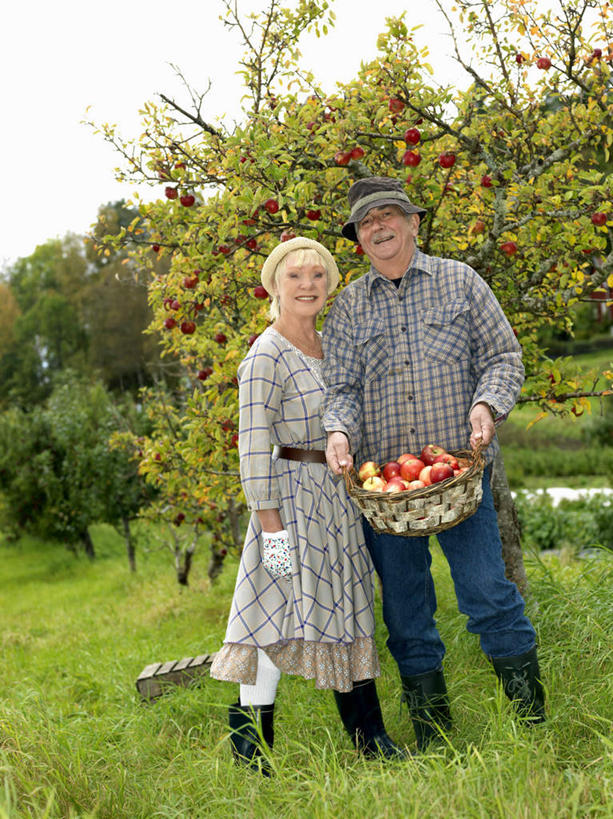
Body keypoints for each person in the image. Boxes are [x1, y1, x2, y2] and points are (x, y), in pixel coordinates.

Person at [321, 177, 545, 752]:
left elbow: (503, 356)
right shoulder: (347, 308)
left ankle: (533, 727)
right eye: (367, 222)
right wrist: (338, 431)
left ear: (414, 223)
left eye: (389, 215)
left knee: (487, 593)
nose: (379, 227)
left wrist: (485, 406)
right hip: (388, 492)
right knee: (406, 614)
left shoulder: (461, 282)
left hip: (459, 479)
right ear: (358, 238)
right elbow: (341, 387)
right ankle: (434, 737)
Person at [210, 236, 404, 775]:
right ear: (274, 285)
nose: (307, 285)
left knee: (347, 608)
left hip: (335, 504)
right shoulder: (265, 354)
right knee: (273, 618)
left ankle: (370, 739)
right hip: (288, 508)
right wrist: (270, 527)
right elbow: (252, 447)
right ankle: (251, 755)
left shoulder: (328, 345)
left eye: (317, 276)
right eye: (295, 276)